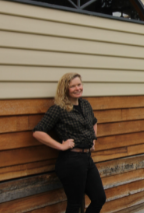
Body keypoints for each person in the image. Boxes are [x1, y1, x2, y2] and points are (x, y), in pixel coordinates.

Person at [33, 73, 106, 213]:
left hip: (87, 158)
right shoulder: (58, 109)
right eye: (73, 86)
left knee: (99, 198)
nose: (77, 88)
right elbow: (38, 132)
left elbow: (94, 122)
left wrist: (93, 140)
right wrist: (61, 146)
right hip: (71, 161)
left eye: (79, 84)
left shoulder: (85, 104)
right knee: (75, 204)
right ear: (65, 89)